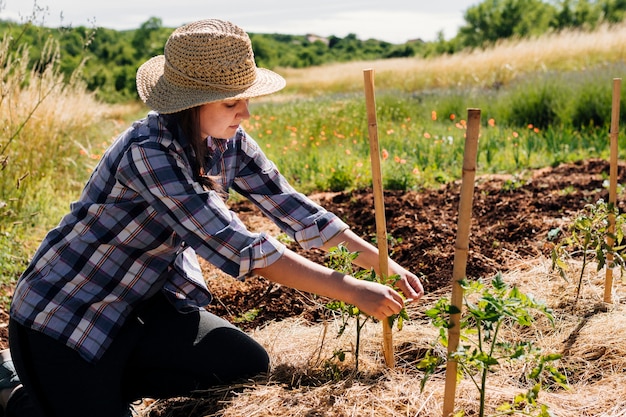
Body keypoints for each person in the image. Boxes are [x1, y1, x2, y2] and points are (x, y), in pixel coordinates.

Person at [0, 18, 424, 417]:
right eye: (231, 102)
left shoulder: (227, 141)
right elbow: (236, 245)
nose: (245, 113)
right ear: (192, 105)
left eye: (246, 99)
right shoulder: (148, 151)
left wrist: (380, 263)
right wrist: (351, 289)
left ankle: (90, 388)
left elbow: (292, 207)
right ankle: (20, 390)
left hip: (142, 305)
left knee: (244, 364)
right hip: (68, 317)